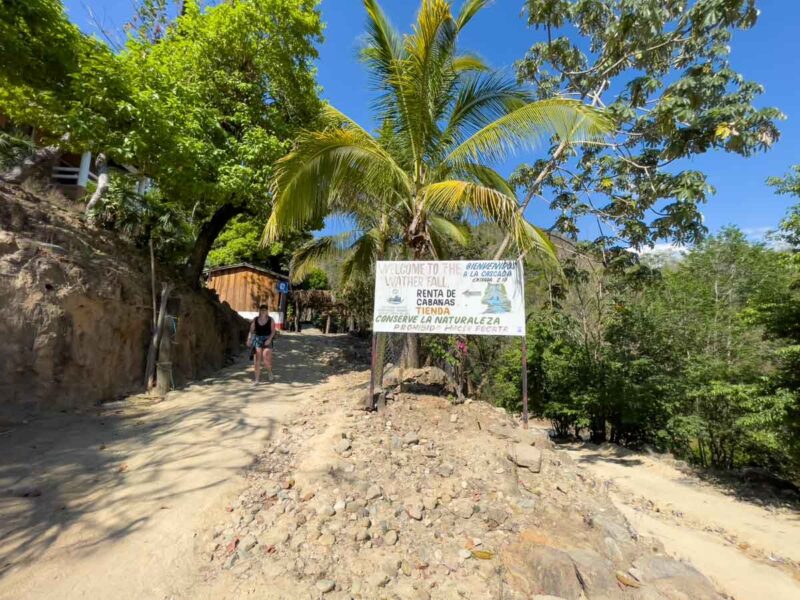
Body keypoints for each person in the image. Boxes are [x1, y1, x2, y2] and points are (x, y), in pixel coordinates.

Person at [248, 305, 275, 384]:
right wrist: (249, 339)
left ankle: (269, 371)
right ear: (259, 311)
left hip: (267, 339)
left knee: (266, 358)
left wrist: (269, 339)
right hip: (257, 339)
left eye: (265, 310)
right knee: (257, 361)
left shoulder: (270, 320)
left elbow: (273, 331)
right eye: (261, 310)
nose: (263, 311)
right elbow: (251, 330)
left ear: (267, 311)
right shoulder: (255, 320)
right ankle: (257, 380)